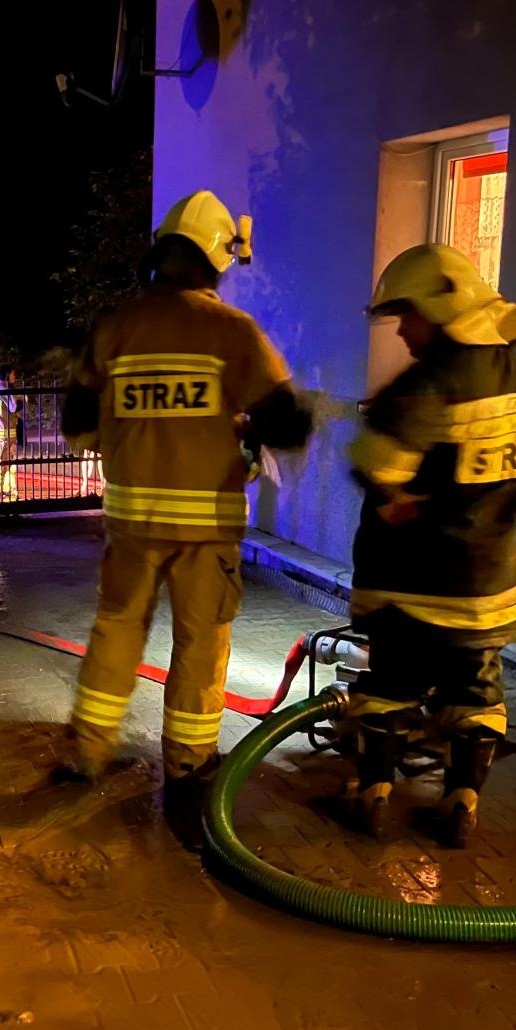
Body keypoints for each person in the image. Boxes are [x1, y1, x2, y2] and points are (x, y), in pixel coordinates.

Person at [60, 190, 312, 846]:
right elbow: (285, 420)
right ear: (216, 260)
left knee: (117, 628)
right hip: (206, 528)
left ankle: (87, 749)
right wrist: (240, 426)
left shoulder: (118, 328)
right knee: (201, 646)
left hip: (131, 522)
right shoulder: (232, 333)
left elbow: (77, 422)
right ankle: (190, 766)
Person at [345, 243, 516, 846]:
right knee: (477, 689)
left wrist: (397, 500)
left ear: (442, 308)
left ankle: (372, 796)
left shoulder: (432, 381)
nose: (403, 330)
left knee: (389, 684)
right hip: (488, 581)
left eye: (407, 315)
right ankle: (462, 804)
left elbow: (377, 461)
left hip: (410, 580)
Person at [0, 366, 23, 504]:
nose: (15, 378)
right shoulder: (4, 388)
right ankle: (8, 491)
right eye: (13, 375)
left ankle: (0, 491)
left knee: (0, 463)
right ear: (6, 375)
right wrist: (22, 399)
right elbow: (14, 407)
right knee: (9, 464)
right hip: (7, 432)